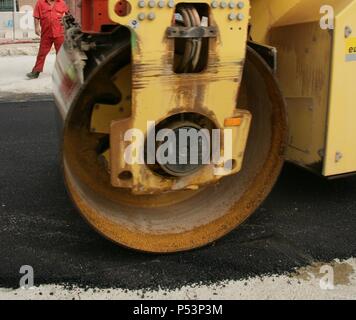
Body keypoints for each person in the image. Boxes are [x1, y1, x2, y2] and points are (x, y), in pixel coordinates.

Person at [26, 0, 69, 79]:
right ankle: (36, 71)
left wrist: (64, 20)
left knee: (61, 54)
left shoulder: (62, 3)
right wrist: (36, 27)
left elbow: (67, 15)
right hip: (46, 33)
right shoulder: (40, 3)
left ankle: (62, 73)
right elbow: (36, 16)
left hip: (59, 33)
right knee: (42, 53)